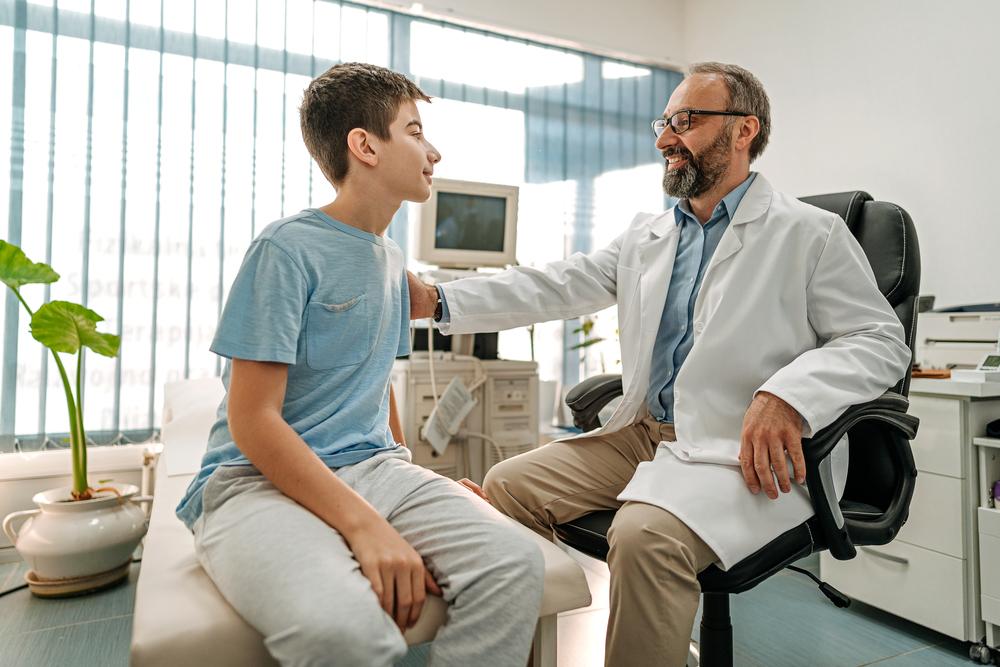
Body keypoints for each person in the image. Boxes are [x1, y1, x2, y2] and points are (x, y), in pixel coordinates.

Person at [409, 61, 911, 666]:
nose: (664, 138)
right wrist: (438, 300)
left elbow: (880, 340)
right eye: (664, 122)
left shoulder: (811, 234)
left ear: (745, 129)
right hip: (645, 433)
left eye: (686, 121)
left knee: (644, 537)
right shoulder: (649, 235)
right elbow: (557, 285)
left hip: (740, 449)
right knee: (508, 487)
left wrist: (788, 396)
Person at [175, 62, 544, 667]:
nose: (434, 151)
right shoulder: (286, 248)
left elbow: (377, 388)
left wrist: (419, 481)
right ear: (364, 145)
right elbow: (253, 418)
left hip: (377, 470)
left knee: (515, 561)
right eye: (416, 131)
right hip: (255, 484)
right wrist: (367, 525)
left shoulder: (391, 259)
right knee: (343, 631)